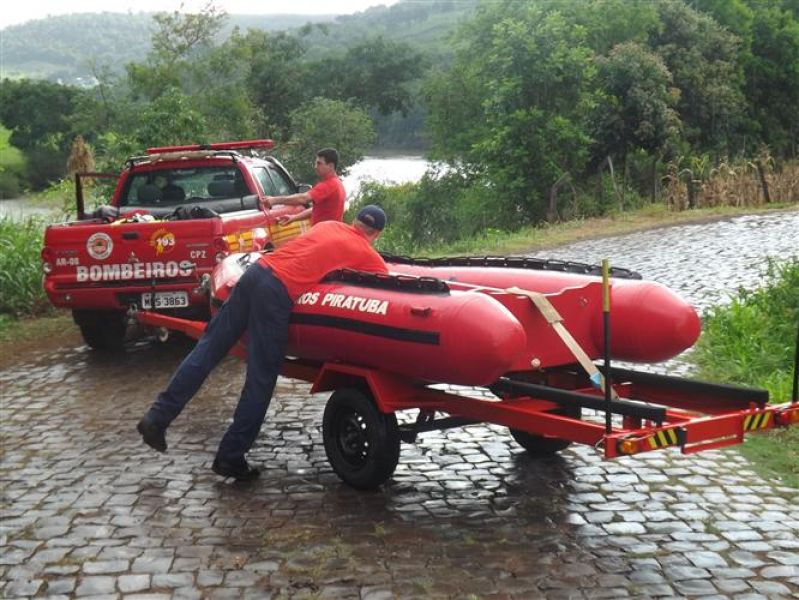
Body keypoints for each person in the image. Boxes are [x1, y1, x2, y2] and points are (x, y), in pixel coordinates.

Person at [137, 205, 389, 481]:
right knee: (261, 377)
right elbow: (386, 282)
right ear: (376, 234)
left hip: (256, 273)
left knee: (207, 350)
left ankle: (156, 419)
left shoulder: (328, 226)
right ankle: (230, 456)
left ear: (354, 221)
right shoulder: (366, 253)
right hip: (276, 293)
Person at [265, 148, 345, 226]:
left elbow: (303, 198)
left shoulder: (329, 185)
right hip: (329, 231)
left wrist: (275, 200)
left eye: (319, 163)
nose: (315, 166)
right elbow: (316, 210)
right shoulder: (337, 183)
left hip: (324, 233)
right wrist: (293, 217)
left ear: (331, 166)